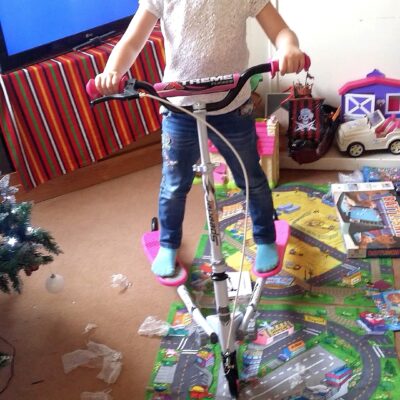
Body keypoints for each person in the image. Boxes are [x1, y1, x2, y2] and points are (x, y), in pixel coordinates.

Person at [94, 0, 307, 277]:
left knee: (251, 178)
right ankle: (168, 244)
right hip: (179, 108)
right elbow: (133, 41)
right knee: (174, 184)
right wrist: (114, 70)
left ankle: (266, 237)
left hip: (232, 107)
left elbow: (281, 31)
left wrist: (288, 47)